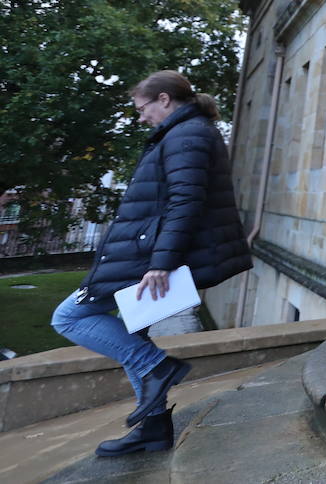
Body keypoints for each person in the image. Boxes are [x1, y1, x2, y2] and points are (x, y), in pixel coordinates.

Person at [51, 70, 251, 458]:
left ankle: (158, 368)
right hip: (149, 253)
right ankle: (153, 429)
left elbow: (185, 201)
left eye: (142, 109)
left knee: (69, 317)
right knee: (133, 330)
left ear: (163, 99)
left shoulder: (187, 134)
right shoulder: (184, 132)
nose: (140, 117)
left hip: (151, 258)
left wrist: (161, 263)